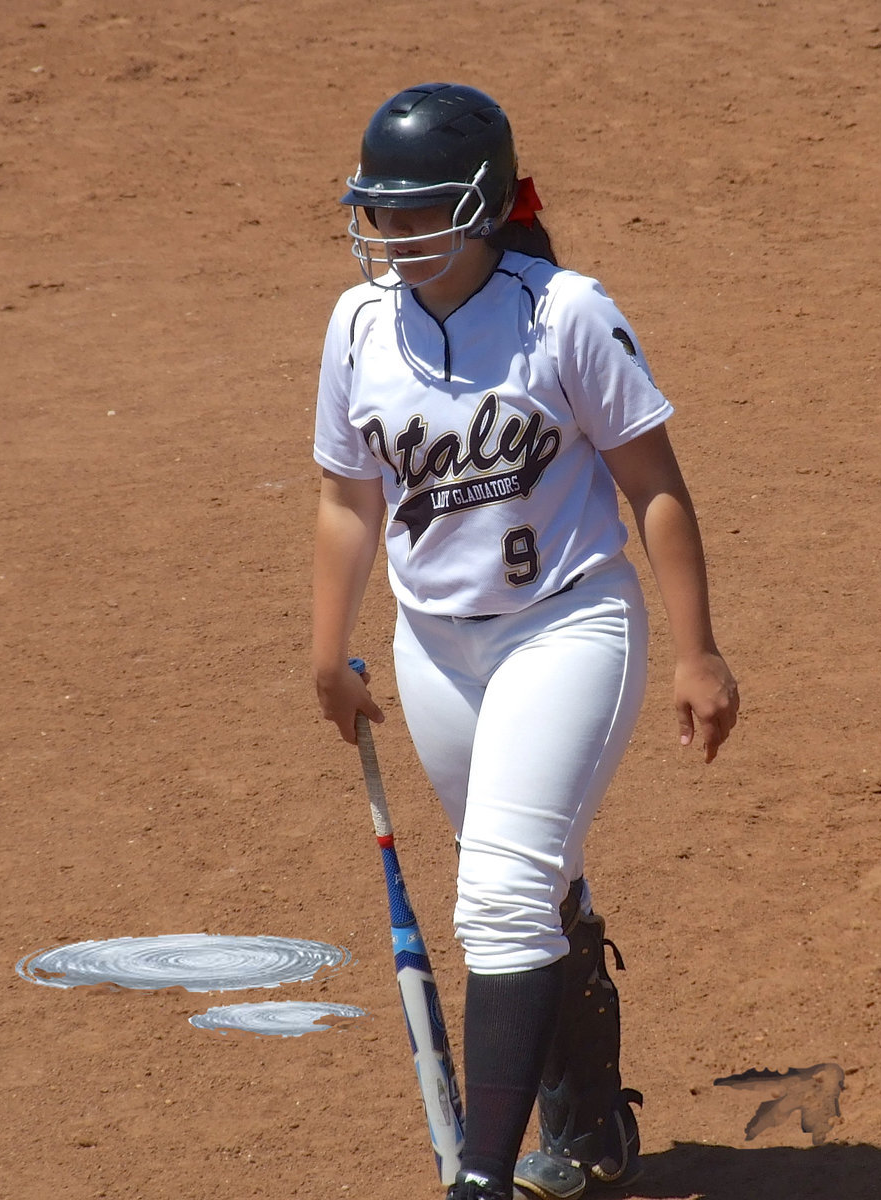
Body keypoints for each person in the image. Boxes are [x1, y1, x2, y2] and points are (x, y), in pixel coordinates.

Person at [311, 83, 739, 1200]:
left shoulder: (566, 313)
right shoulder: (359, 325)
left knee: (497, 896)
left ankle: (482, 1180)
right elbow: (347, 499)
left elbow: (654, 489)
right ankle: (588, 1127)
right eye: (379, 212)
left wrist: (696, 654)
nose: (393, 237)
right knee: (531, 887)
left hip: (567, 627)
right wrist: (327, 649)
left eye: (419, 212)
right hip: (433, 648)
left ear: (486, 203)